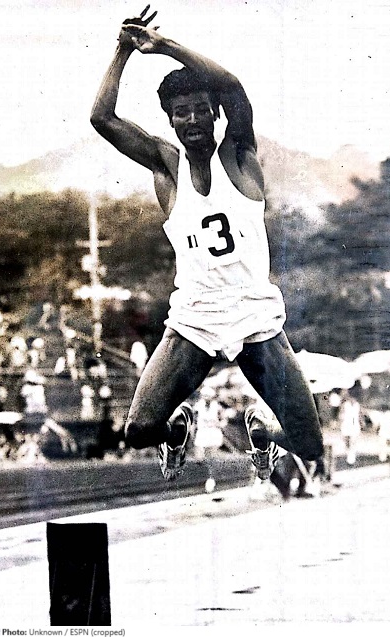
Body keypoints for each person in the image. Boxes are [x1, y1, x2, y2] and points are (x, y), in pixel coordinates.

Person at [91, 5, 324, 480]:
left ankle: (262, 430)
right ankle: (178, 429)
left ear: (216, 115)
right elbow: (102, 118)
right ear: (171, 120)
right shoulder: (166, 166)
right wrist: (122, 50)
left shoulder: (238, 155)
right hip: (195, 317)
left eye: (202, 109)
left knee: (309, 444)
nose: (193, 119)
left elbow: (233, 86)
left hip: (254, 315)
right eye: (182, 112)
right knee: (139, 430)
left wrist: (165, 46)